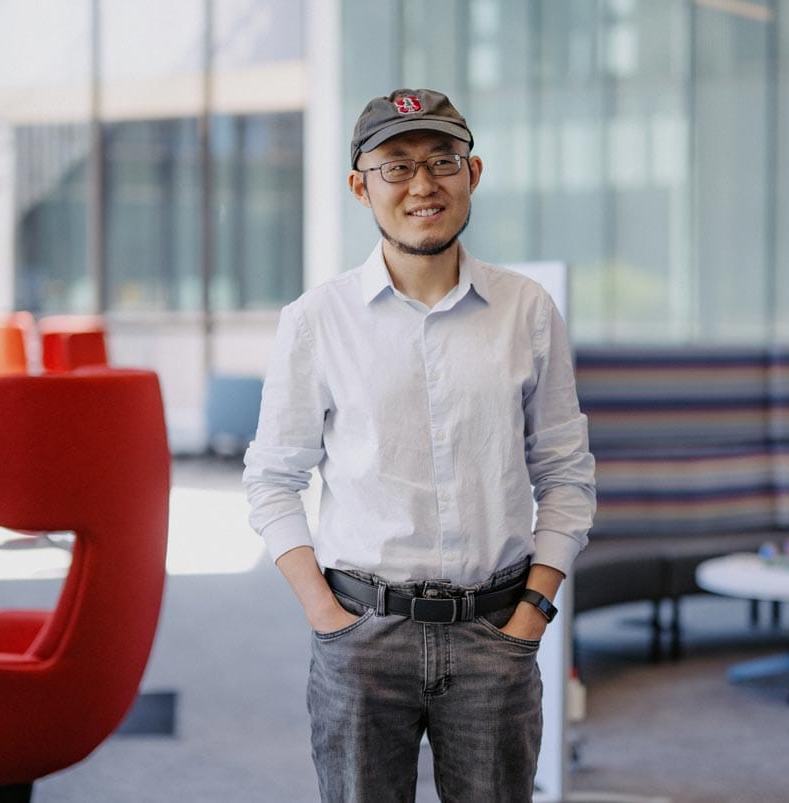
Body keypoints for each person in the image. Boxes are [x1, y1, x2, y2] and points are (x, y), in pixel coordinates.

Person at [242, 87, 596, 803]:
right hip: (361, 637)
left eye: (443, 160)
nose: (423, 184)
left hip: (496, 632)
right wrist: (325, 616)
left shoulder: (527, 310)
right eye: (396, 166)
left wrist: (532, 614)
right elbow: (272, 478)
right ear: (359, 186)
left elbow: (565, 472)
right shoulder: (317, 320)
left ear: (474, 173)